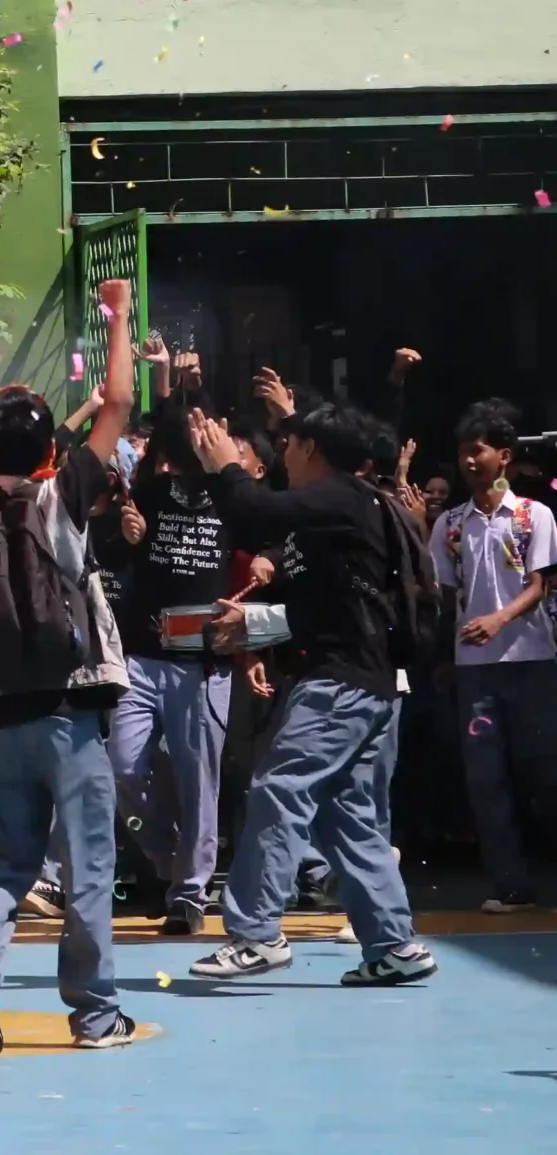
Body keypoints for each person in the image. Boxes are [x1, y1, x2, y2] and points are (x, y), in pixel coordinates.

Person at [0, 277, 137, 1055]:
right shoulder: (61, 496)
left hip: (2, 710)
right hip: (70, 710)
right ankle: (95, 1012)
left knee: (5, 860)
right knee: (87, 866)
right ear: (51, 448)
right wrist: (118, 313)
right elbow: (117, 402)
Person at [184, 400, 440, 988]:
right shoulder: (347, 510)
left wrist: (225, 466)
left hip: (340, 685)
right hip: (367, 685)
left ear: (311, 451)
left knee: (279, 789)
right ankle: (394, 945)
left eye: (289, 445)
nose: (283, 456)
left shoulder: (339, 497)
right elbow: (328, 614)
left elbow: (254, 515)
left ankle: (256, 933)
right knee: (345, 816)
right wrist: (254, 626)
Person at [110, 374, 247, 937]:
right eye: (184, 432)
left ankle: (190, 893)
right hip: (141, 656)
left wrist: (264, 566)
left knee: (198, 781)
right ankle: (170, 862)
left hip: (203, 661)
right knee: (123, 768)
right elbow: (112, 554)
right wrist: (128, 536)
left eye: (202, 429)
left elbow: (269, 548)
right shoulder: (147, 492)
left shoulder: (235, 496)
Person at [431, 399, 556, 913]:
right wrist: (444, 654)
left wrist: (499, 620)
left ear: (504, 456)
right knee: (486, 779)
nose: (469, 460)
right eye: (463, 451)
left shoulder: (533, 515)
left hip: (532, 661)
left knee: (545, 772)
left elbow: (540, 585)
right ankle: (512, 885)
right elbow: (446, 598)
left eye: (478, 450)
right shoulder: (450, 524)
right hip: (474, 671)